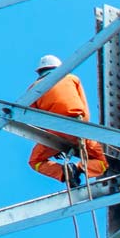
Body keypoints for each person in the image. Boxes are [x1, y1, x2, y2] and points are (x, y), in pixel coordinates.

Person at [26, 55, 108, 185]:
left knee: (35, 161)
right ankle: (77, 168)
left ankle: (64, 173)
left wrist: (51, 142)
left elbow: (33, 120)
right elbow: (84, 107)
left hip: (55, 130)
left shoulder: (34, 89)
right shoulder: (72, 78)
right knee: (102, 163)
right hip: (80, 126)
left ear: (40, 72)